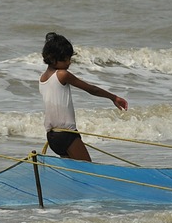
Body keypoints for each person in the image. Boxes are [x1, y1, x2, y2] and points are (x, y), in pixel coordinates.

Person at [39, 32, 128, 161]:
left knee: (75, 173)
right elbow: (91, 89)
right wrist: (113, 97)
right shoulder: (62, 74)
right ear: (53, 59)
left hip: (52, 137)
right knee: (88, 170)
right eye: (66, 59)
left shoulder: (42, 79)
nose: (69, 62)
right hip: (67, 135)